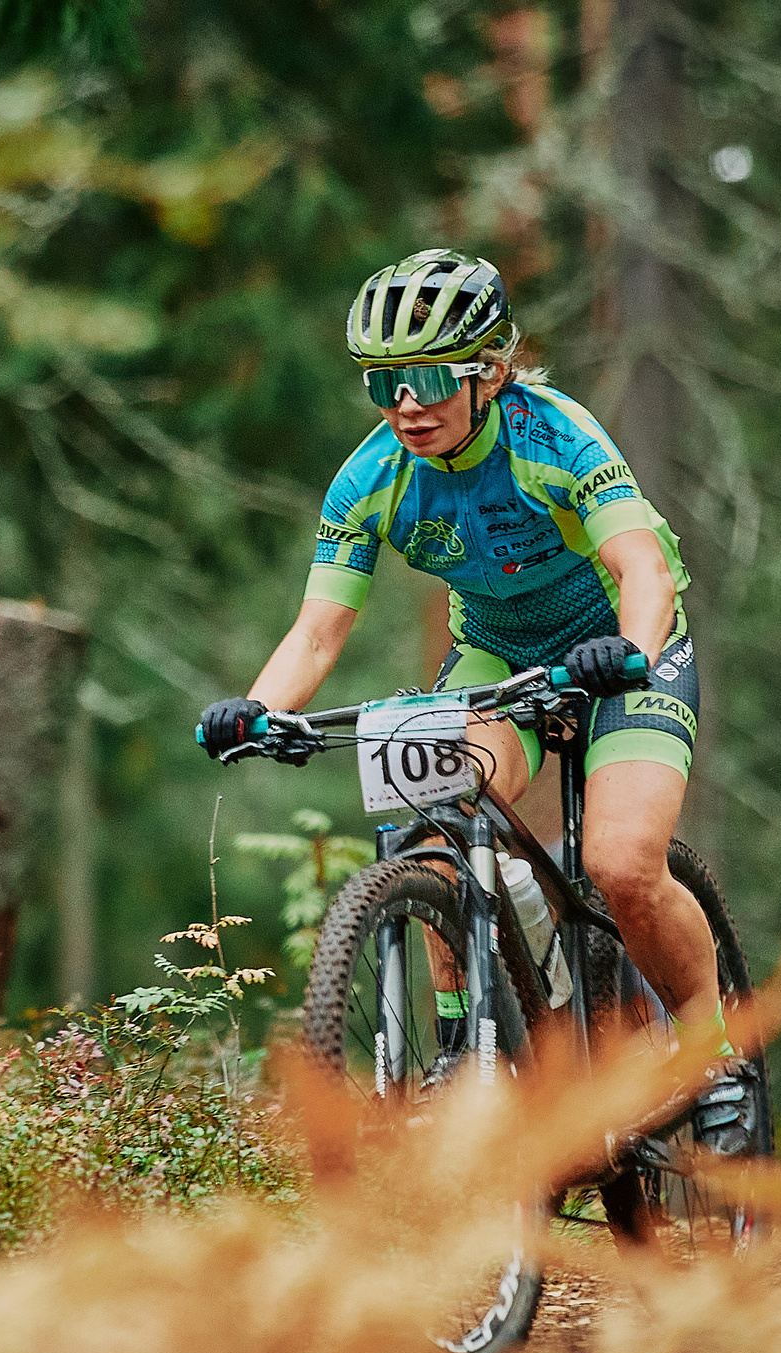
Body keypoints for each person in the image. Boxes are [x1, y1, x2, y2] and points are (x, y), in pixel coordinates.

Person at [196, 248, 751, 1143]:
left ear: (488, 372)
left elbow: (642, 569)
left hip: (625, 641)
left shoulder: (556, 439)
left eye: (424, 379)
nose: (404, 405)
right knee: (438, 824)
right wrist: (260, 711)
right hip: (499, 653)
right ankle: (466, 1039)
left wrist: (630, 654)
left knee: (620, 862)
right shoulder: (372, 478)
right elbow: (318, 632)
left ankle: (712, 1049)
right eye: (382, 384)